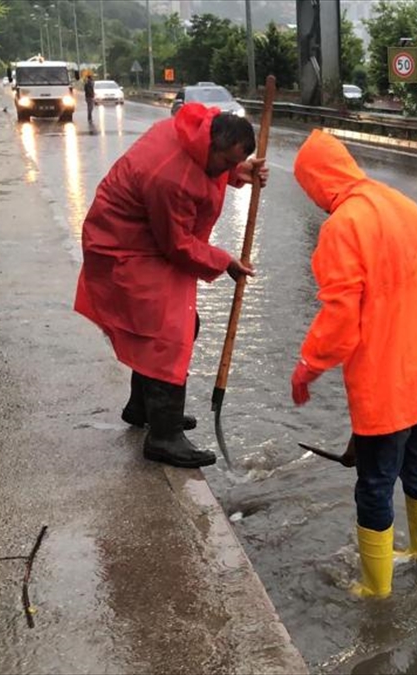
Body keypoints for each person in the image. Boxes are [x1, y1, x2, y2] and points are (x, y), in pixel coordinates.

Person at [290, 129, 417, 599]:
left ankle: (375, 587)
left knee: (374, 482)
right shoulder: (401, 203)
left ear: (316, 182)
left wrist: (309, 363)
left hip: (389, 386)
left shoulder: (342, 226)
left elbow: (341, 318)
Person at [74, 102, 267, 468]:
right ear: (210, 144)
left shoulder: (194, 134)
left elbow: (207, 172)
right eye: (225, 162)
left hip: (139, 237)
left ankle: (144, 407)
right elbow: (177, 245)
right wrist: (225, 261)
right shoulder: (170, 178)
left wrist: (238, 172)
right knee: (168, 332)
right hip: (122, 246)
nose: (224, 171)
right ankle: (164, 437)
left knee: (173, 326)